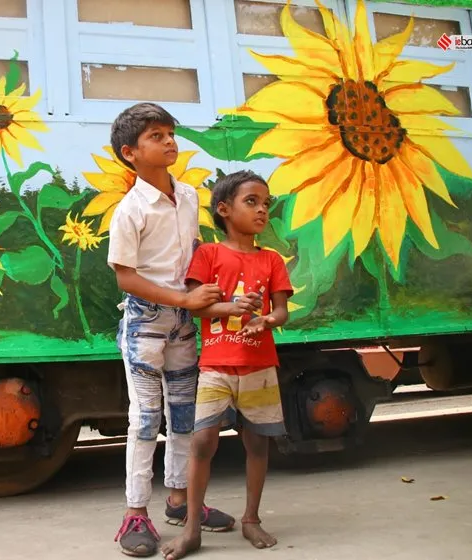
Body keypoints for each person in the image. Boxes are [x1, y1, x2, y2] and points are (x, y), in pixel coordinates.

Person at [107, 102, 233, 557]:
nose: (169, 142)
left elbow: (191, 252)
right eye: (156, 136)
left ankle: (181, 501)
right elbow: (124, 276)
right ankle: (134, 514)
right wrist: (183, 298)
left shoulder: (189, 197)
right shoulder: (130, 209)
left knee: (184, 416)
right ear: (130, 153)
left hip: (182, 326)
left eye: (169, 133)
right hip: (144, 325)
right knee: (145, 418)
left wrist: (208, 291)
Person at [161, 170, 294, 559]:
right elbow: (197, 302)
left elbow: (282, 310)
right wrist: (233, 307)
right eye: (251, 202)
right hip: (216, 365)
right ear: (223, 209)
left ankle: (251, 518)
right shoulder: (209, 255)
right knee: (202, 442)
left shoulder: (271, 260)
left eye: (266, 203)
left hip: (259, 365)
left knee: (258, 443)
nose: (261, 210)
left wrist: (266, 320)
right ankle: (191, 529)